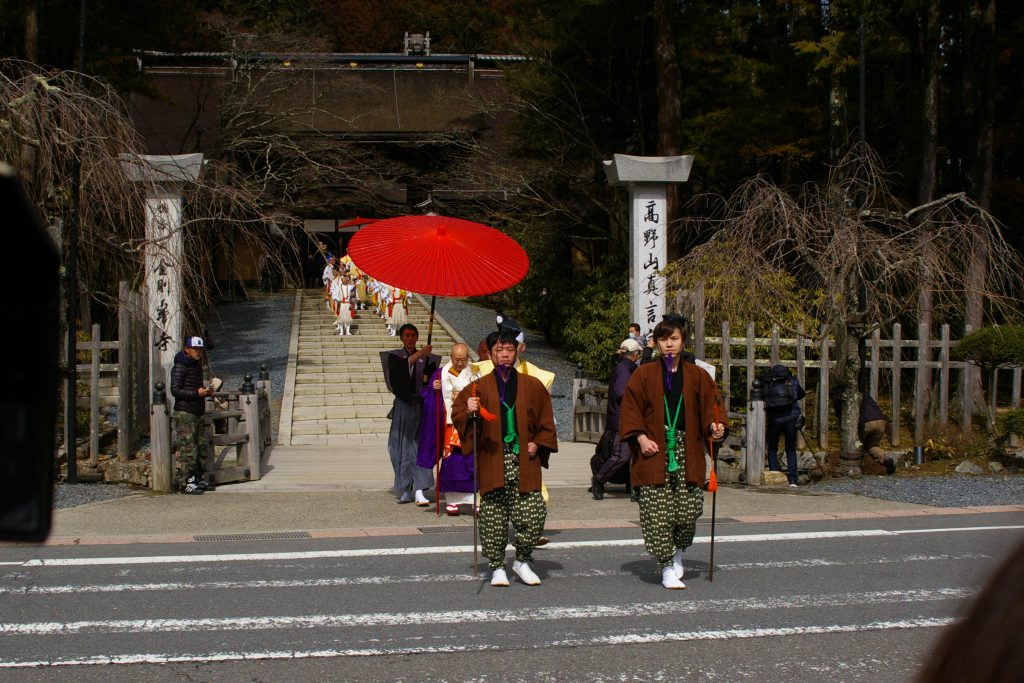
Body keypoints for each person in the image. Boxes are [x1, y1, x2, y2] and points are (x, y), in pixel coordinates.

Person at [619, 313, 726, 589]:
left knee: (688, 510)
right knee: (657, 511)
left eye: (674, 339)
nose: (669, 345)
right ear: (655, 343)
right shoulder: (643, 374)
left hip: (687, 448)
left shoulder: (698, 375)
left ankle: (678, 550)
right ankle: (666, 564)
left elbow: (712, 407)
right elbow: (630, 410)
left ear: (683, 342)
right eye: (664, 339)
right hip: (654, 449)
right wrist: (641, 438)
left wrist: (716, 425)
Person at [452, 329, 558, 588]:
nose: (505, 355)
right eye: (499, 350)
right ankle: (497, 565)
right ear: (489, 353)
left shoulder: (532, 386)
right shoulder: (476, 387)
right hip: (493, 458)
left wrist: (538, 443)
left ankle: (522, 559)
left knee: (533, 515)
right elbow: (457, 415)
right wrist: (469, 410)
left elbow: (546, 421)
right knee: (494, 517)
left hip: (524, 459)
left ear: (518, 351)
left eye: (510, 350)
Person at [419, 343, 477, 515]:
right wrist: (433, 389)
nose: (460, 363)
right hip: (450, 425)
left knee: (473, 461)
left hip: (470, 425)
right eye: (457, 359)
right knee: (453, 462)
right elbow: (426, 394)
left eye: (464, 359)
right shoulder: (441, 373)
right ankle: (453, 501)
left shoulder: (475, 372)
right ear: (451, 357)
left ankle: (476, 500)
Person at [385, 324, 438, 505]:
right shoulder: (395, 357)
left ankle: (420, 488)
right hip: (403, 405)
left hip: (422, 406)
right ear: (401, 338)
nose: (409, 338)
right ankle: (404, 487)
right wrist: (421, 354)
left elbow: (430, 382)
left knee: (419, 447)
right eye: (406, 335)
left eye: (413, 335)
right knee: (398, 447)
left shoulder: (427, 358)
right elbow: (400, 372)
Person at [591, 338, 642, 500]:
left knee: (631, 455)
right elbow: (622, 392)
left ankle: (633, 485)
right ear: (634, 354)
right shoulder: (625, 369)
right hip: (623, 419)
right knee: (622, 455)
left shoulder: (623, 367)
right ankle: (599, 479)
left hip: (623, 418)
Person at [170, 336, 213, 494]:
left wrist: (206, 391)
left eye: (200, 349)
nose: (198, 352)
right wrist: (196, 392)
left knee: (201, 446)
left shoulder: (196, 366)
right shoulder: (180, 366)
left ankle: (198, 478)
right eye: (195, 349)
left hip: (197, 410)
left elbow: (196, 387)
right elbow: (175, 390)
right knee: (188, 448)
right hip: (185, 412)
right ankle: (186, 482)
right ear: (187, 349)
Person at [761, 364, 806, 488]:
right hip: (791, 417)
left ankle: (774, 476)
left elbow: (761, 396)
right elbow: (801, 394)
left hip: (774, 419)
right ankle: (793, 480)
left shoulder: (767, 381)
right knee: (790, 448)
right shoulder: (791, 381)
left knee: (772, 448)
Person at [861, 394, 894, 475]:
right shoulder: (867, 396)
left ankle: (857, 466)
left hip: (867, 422)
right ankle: (885, 458)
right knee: (872, 445)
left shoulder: (851, 398)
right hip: (881, 421)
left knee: (856, 444)